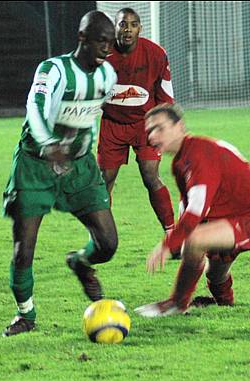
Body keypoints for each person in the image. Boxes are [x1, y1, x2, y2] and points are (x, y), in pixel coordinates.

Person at [1, 10, 119, 336]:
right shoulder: (53, 70)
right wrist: (49, 142)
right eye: (100, 42)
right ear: (82, 38)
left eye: (110, 43)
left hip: (78, 167)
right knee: (24, 249)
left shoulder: (107, 74)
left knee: (108, 243)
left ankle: (80, 262)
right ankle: (26, 314)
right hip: (35, 164)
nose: (106, 49)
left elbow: (98, 111)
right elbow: (34, 109)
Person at [134, 104, 250, 317]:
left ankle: (177, 303)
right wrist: (178, 241)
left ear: (180, 126)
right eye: (149, 131)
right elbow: (188, 204)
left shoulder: (200, 154)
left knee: (196, 240)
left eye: (159, 128)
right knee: (216, 274)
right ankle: (225, 306)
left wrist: (168, 244)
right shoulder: (181, 160)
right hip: (222, 219)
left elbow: (196, 211)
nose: (152, 136)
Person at [98, 7, 176, 236]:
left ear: (140, 28)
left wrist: (162, 127)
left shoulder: (156, 54)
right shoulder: (102, 54)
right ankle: (102, 235)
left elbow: (165, 96)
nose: (128, 29)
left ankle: (172, 232)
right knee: (105, 180)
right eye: (123, 24)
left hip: (145, 124)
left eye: (133, 24)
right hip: (112, 125)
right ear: (115, 28)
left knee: (150, 175)